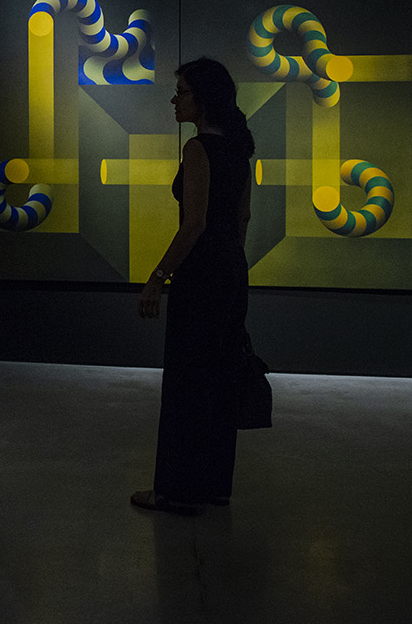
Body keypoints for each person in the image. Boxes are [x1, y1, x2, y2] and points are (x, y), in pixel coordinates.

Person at [131, 57, 254, 516]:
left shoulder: (198, 149)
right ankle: (214, 487)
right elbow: (242, 219)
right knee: (220, 380)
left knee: (186, 382)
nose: (174, 100)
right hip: (232, 271)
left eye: (181, 92)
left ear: (202, 99)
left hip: (200, 274)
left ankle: (176, 491)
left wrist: (157, 277)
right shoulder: (240, 151)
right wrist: (230, 266)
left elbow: (194, 224)